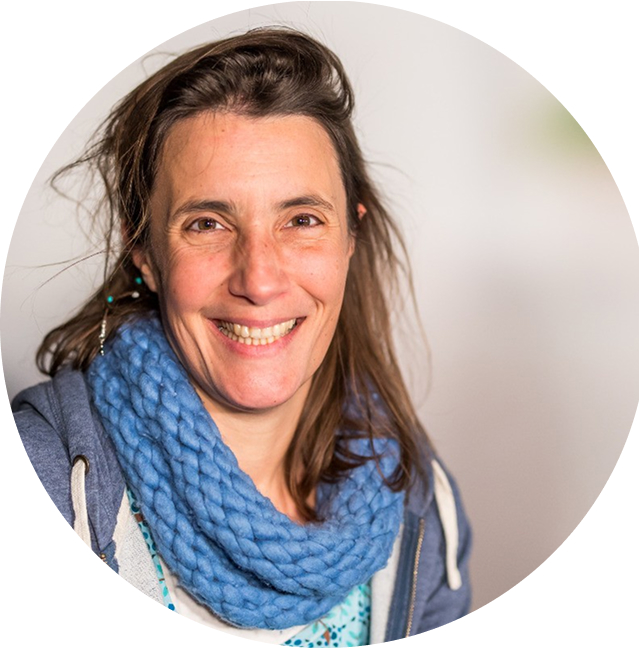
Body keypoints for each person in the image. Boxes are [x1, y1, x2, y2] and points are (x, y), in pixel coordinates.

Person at [12, 28, 471, 644]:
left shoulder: (416, 496)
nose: (258, 280)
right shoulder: (39, 481)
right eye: (207, 223)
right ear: (144, 253)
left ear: (350, 238)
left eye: (301, 220)